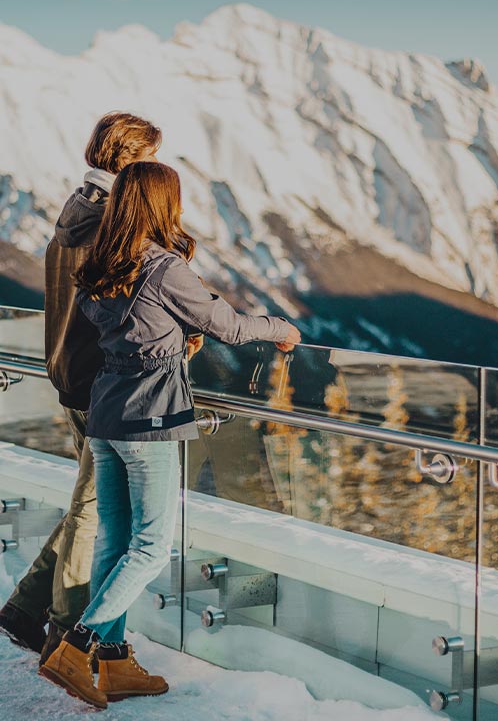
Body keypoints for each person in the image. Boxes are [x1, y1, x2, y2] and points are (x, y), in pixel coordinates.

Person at [39, 161, 301, 709]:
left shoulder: (101, 262)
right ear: (163, 205)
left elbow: (127, 328)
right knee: (154, 544)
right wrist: (280, 330)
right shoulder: (161, 266)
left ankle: (112, 664)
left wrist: (169, 339)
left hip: (106, 413)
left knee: (115, 540)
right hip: (149, 418)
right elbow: (226, 324)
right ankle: (77, 645)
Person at [0, 112, 170, 666]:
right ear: (128, 158)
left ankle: (25, 610)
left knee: (89, 506)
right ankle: (65, 632)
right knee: (94, 513)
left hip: (70, 375)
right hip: (106, 384)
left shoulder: (74, 209)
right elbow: (136, 301)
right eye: (147, 157)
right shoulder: (110, 223)